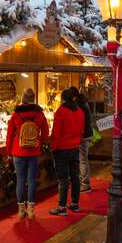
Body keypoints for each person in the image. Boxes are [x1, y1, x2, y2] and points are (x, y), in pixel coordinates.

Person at [5, 89, 49, 219]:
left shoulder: (15, 115)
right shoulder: (40, 115)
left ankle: (21, 210)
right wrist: (38, 142)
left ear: (23, 99)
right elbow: (45, 133)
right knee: (31, 180)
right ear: (33, 99)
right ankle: (31, 209)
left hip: (18, 151)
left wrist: (9, 153)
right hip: (34, 152)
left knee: (20, 180)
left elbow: (9, 135)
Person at [49, 88, 85, 216]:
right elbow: (81, 131)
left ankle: (62, 207)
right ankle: (75, 204)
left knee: (63, 179)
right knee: (75, 177)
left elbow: (56, 133)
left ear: (63, 99)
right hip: (74, 147)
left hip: (62, 149)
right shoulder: (79, 111)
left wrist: (53, 148)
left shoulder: (61, 112)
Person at [76, 91, 94, 193]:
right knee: (82, 159)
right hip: (86, 134)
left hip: (82, 135)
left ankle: (85, 184)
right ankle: (83, 182)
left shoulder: (79, 106)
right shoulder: (84, 103)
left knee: (82, 160)